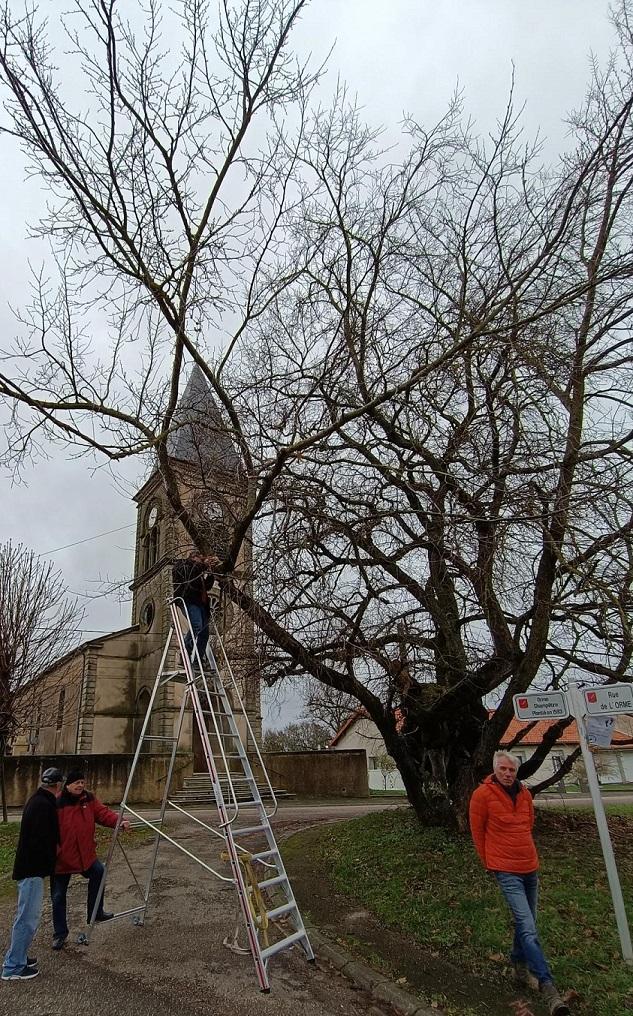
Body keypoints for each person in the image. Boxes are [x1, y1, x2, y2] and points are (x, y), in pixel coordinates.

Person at [469, 751, 570, 1016]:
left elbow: (528, 824)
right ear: (495, 770)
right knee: (527, 926)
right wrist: (488, 862)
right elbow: (477, 832)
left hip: (529, 867)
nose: (507, 774)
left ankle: (518, 965)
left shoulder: (525, 795)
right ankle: (548, 989)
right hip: (505, 870)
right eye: (503, 769)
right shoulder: (482, 795)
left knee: (527, 923)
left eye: (511, 770)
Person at [50, 769, 130, 950]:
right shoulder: (57, 803)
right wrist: (55, 851)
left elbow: (103, 814)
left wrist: (120, 821)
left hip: (84, 855)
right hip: (62, 859)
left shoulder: (88, 799)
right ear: (67, 785)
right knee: (58, 896)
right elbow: (47, 829)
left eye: (82, 782)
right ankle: (60, 933)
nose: (80, 785)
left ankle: (95, 912)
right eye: (76, 782)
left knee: (99, 872)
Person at [2, 766, 63, 981]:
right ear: (58, 785)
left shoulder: (37, 801)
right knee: (27, 918)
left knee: (26, 915)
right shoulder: (44, 806)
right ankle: (13, 966)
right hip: (32, 869)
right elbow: (43, 840)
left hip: (30, 868)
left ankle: (18, 956)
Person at [171, 550, 220, 661]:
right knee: (196, 625)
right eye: (201, 559)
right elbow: (189, 576)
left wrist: (211, 573)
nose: (202, 562)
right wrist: (204, 565)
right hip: (188, 600)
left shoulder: (198, 571)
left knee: (204, 634)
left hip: (201, 603)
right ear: (194, 557)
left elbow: (206, 587)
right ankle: (185, 653)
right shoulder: (184, 565)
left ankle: (198, 661)